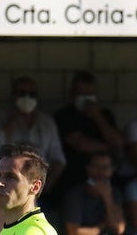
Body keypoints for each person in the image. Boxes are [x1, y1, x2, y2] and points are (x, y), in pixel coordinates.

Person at [0, 77, 66, 196]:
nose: (27, 98)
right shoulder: (0, 117)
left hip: (38, 187)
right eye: (22, 93)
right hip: (6, 185)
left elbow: (59, 160)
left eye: (31, 94)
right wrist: (8, 127)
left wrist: (47, 186)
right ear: (13, 95)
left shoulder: (46, 122)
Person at [53, 71, 123, 206]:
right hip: (73, 177)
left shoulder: (105, 115)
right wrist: (108, 147)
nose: (86, 99)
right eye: (82, 94)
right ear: (72, 94)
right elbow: (81, 144)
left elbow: (118, 141)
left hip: (105, 176)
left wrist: (97, 116)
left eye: (90, 94)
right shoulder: (64, 115)